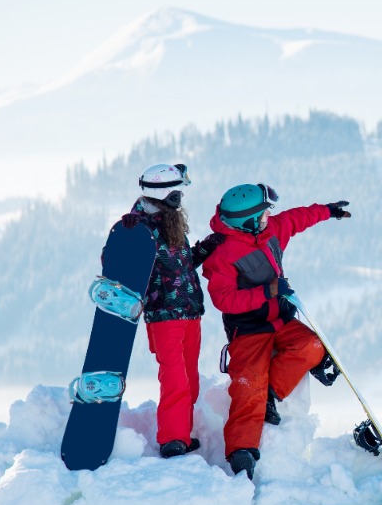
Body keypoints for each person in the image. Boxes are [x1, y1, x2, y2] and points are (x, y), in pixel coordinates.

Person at [200, 182, 351, 480]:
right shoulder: (223, 253)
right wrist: (268, 291)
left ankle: (270, 393)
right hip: (249, 330)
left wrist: (327, 211)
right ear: (250, 221)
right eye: (264, 213)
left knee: (311, 346)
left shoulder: (268, 232)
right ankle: (241, 451)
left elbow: (296, 219)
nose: (270, 216)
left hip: (281, 321)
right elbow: (224, 300)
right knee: (248, 383)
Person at [121, 163, 224, 459]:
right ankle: (172, 440)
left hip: (190, 312)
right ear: (166, 194)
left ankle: (182, 433)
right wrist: (128, 242)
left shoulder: (169, 221)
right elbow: (115, 260)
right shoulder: (136, 226)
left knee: (189, 380)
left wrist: (208, 247)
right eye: (177, 191)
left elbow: (182, 266)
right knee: (175, 378)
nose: (180, 197)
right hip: (165, 316)